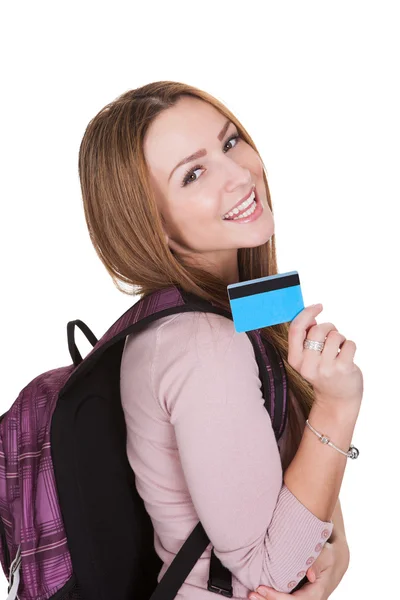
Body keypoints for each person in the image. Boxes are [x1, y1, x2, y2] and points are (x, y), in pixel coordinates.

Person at [78, 81, 363, 599]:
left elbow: (291, 471)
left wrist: (332, 550)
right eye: (193, 174)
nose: (238, 175)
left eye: (229, 143)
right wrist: (339, 405)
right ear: (153, 226)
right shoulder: (201, 343)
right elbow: (264, 574)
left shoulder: (237, 305)